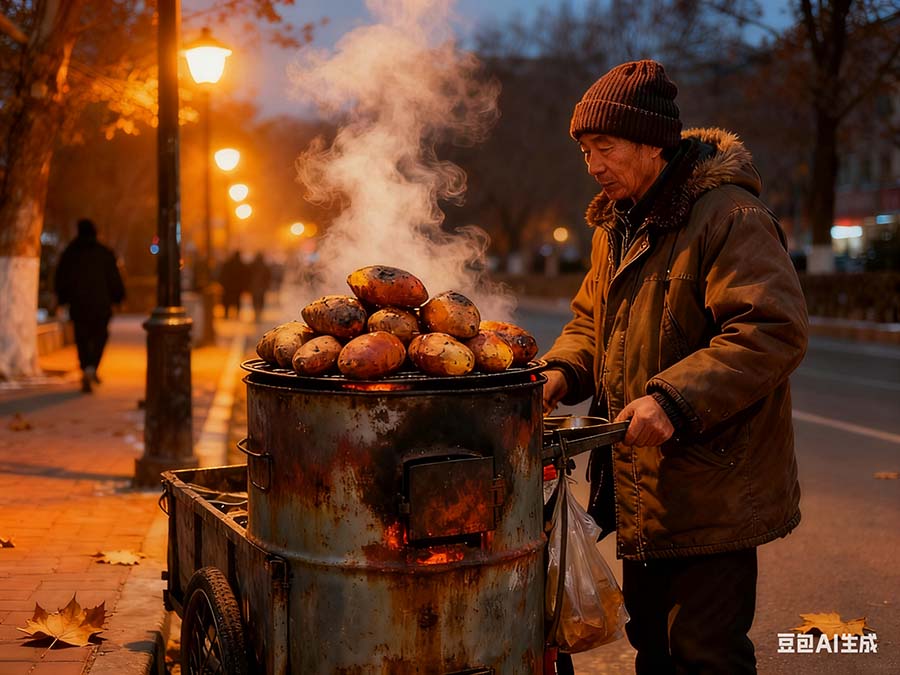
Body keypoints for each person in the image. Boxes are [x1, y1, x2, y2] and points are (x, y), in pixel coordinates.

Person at [541, 60, 808, 674]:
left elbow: (771, 331)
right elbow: (591, 322)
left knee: (704, 654)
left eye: (605, 147)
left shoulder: (729, 216)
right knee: (655, 651)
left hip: (712, 484)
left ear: (652, 143)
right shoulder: (617, 225)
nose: (593, 165)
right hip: (645, 487)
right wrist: (560, 372)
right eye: (585, 151)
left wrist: (671, 399)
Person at [54, 218, 126, 393]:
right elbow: (114, 278)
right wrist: (118, 298)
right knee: (100, 335)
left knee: (82, 337)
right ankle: (92, 366)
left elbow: (61, 277)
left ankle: (86, 367)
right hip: (101, 304)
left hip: (78, 304)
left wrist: (62, 299)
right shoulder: (104, 252)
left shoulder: (70, 253)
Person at [219, 251, 247, 319]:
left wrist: (223, 284)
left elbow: (223, 275)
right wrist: (244, 286)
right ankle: (237, 314)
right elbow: (245, 277)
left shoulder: (228, 264)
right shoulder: (241, 265)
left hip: (228, 286)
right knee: (237, 300)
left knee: (227, 300)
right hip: (238, 287)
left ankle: (226, 314)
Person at [247, 252, 272, 323]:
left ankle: (256, 313)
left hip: (254, 286)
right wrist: (267, 285)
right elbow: (268, 277)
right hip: (262, 287)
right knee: (261, 300)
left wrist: (248, 285)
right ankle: (259, 314)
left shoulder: (252, 265)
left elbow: (248, 276)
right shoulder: (265, 266)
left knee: (255, 300)